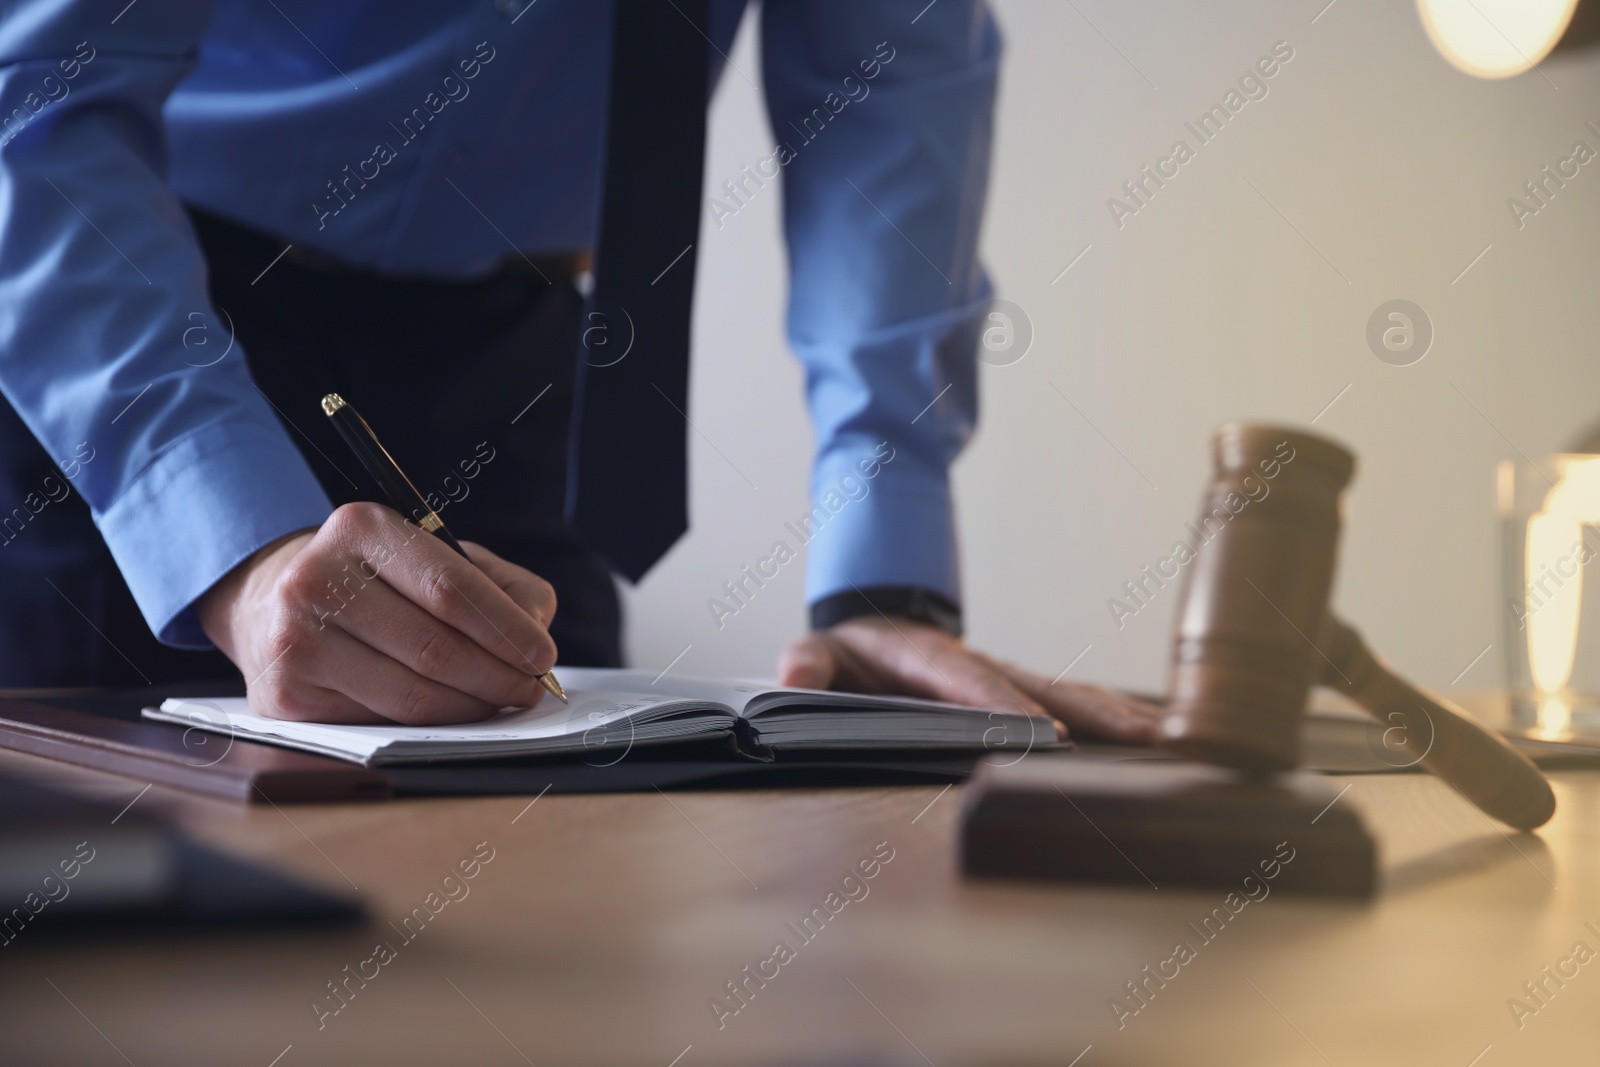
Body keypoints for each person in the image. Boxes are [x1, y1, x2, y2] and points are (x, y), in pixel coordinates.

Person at [0, 0, 1159, 742]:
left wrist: (882, 578)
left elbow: (891, 87)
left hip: (521, 366)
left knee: (551, 856)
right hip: (127, 340)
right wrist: (225, 536)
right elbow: (40, 97)